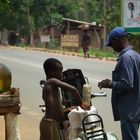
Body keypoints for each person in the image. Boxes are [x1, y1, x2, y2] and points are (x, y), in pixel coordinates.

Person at [98, 27, 140, 140]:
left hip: (129, 109)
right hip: (135, 107)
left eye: (112, 44)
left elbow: (127, 84)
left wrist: (110, 84)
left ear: (118, 40)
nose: (112, 47)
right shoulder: (135, 55)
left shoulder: (126, 58)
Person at [39, 58, 90, 140]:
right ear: (51, 72)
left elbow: (50, 104)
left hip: (51, 122)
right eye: (60, 71)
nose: (62, 74)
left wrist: (65, 110)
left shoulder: (48, 85)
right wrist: (81, 103)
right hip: (50, 124)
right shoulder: (52, 81)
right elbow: (73, 89)